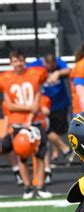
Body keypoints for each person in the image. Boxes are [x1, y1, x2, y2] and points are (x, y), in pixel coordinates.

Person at [1, 49, 52, 199]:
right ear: (11, 63)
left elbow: (38, 97)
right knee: (21, 156)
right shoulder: (5, 78)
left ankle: (41, 186)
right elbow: (9, 106)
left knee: (41, 154)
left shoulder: (35, 74)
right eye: (15, 61)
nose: (19, 64)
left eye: (21, 60)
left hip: (35, 122)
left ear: (25, 61)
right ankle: (28, 187)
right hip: (17, 123)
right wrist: (30, 108)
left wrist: (31, 113)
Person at [28, 53, 73, 163]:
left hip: (59, 103)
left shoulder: (58, 63)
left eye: (53, 67)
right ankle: (60, 151)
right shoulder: (36, 64)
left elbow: (68, 70)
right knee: (46, 128)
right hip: (44, 103)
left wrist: (58, 72)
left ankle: (57, 152)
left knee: (56, 129)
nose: (51, 69)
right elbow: (26, 71)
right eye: (49, 67)